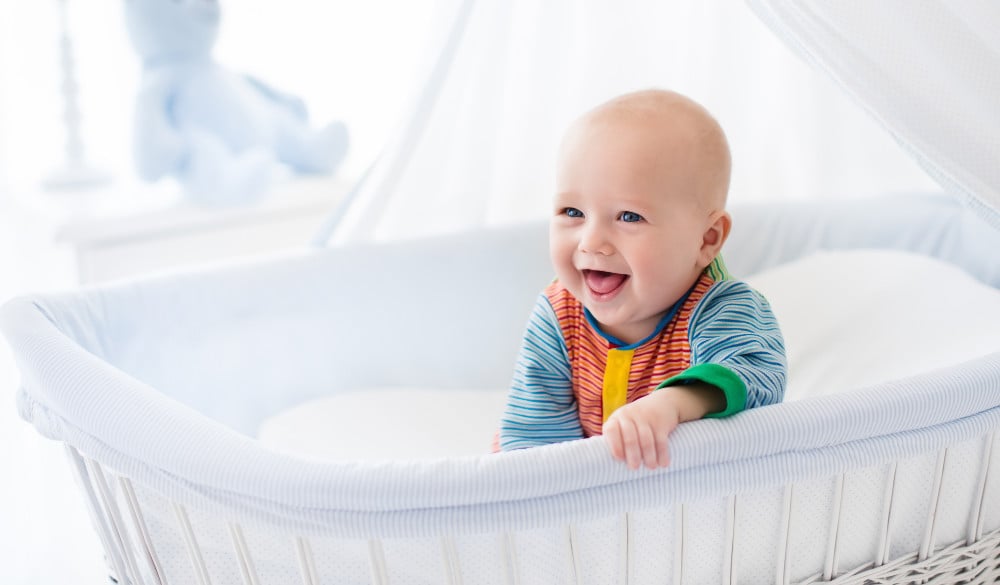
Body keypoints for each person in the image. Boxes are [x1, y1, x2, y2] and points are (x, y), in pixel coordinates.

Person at [498, 89, 786, 470]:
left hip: (691, 493)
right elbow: (533, 442)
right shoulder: (558, 314)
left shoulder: (722, 307)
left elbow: (756, 379)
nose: (592, 242)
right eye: (572, 211)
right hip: (588, 498)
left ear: (706, 239)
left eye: (629, 217)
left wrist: (671, 406)